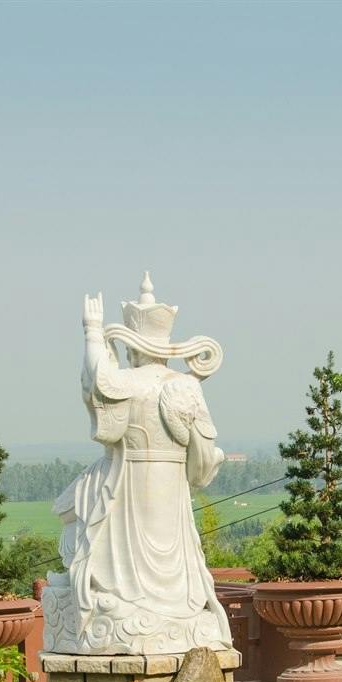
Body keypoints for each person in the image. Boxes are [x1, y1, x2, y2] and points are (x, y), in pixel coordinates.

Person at [42, 274, 233, 654]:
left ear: (134, 345)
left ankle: (126, 607)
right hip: (166, 484)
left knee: (87, 518)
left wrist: (93, 334)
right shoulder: (185, 386)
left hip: (128, 479)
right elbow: (206, 457)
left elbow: (96, 384)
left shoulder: (126, 382)